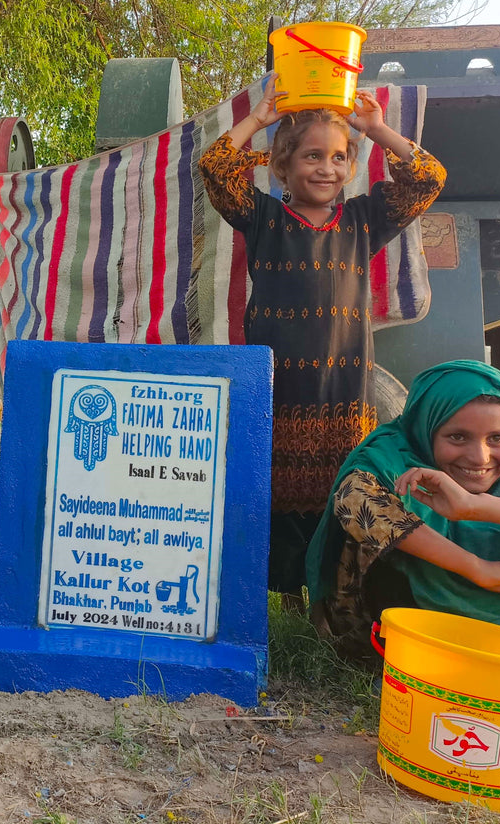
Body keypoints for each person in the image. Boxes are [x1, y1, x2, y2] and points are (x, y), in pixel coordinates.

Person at [199, 78, 447, 598]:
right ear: (281, 166)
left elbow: (427, 178)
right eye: (312, 156)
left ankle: (334, 600)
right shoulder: (264, 218)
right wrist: (259, 121)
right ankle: (276, 599)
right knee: (274, 499)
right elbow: (216, 168)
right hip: (278, 393)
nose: (327, 168)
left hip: (342, 395)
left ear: (351, 167)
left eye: (338, 158)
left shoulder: (363, 222)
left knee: (340, 496)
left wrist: (378, 129)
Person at [306, 359, 500, 658]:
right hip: (405, 626)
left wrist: (477, 507)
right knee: (373, 521)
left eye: (497, 438)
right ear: (426, 428)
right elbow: (356, 500)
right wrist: (478, 568)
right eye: (457, 437)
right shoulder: (392, 457)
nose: (479, 457)